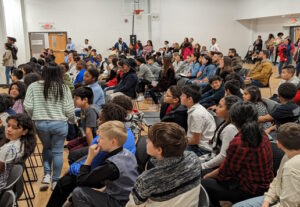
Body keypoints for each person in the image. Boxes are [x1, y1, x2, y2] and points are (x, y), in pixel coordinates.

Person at [202, 102, 274, 206]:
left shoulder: (240, 141)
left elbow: (225, 174)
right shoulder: (262, 133)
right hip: (264, 184)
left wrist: (206, 177)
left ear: (234, 120)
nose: (217, 108)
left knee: (203, 182)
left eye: (221, 105)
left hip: (250, 190)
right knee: (205, 173)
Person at [24, 64, 75, 191]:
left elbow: (28, 106)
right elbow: (69, 109)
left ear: (43, 72)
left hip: (40, 123)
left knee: (47, 148)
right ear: (59, 73)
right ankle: (55, 181)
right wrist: (73, 121)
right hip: (59, 123)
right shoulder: (63, 87)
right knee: (58, 151)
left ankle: (46, 174)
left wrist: (34, 116)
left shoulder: (33, 86)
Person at [126, 122, 202, 207]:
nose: (146, 140)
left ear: (159, 150)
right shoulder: (194, 159)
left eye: (149, 139)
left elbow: (132, 205)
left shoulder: (147, 179)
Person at [70, 121, 138, 207]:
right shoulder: (128, 153)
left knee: (78, 192)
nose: (98, 140)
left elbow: (81, 181)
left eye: (101, 138)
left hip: (121, 202)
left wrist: (90, 157)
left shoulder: (111, 166)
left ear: (113, 142)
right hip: (128, 196)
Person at [233, 122, 300, 207]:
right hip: (279, 197)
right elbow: (277, 180)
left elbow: (289, 205)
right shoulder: (287, 156)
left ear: (278, 144)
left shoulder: (292, 166)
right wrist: (267, 200)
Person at [200, 96, 240, 173]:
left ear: (230, 111)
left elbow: (223, 156)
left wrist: (203, 166)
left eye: (220, 106)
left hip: (219, 167)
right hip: (213, 156)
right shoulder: (225, 122)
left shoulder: (230, 129)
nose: (216, 108)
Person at [0, 114, 36, 193]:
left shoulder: (9, 149)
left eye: (15, 128)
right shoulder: (21, 144)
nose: (9, 129)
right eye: (8, 125)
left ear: (24, 131)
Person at [181, 85, 216, 156]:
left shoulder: (196, 114)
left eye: (182, 95)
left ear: (189, 99)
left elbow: (195, 140)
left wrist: (180, 142)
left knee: (173, 152)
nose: (180, 97)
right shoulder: (195, 108)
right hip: (196, 145)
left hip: (201, 149)